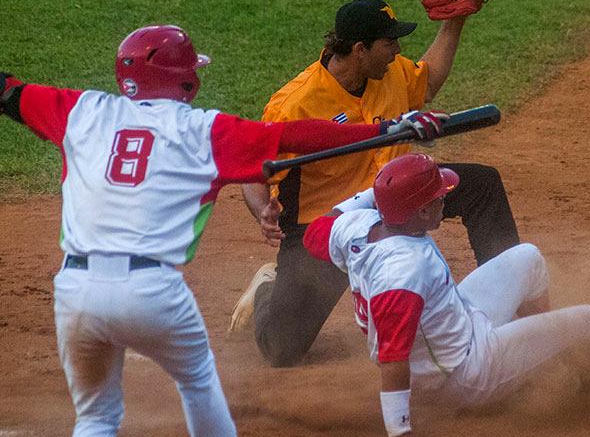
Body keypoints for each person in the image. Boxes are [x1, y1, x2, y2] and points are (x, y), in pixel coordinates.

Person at [0, 25, 446, 437]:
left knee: (95, 417)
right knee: (198, 386)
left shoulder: (81, 110)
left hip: (75, 291)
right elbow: (295, 135)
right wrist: (388, 130)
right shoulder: (204, 130)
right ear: (185, 80)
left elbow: (9, 93)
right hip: (153, 292)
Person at [231, 0, 520, 367]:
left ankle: (510, 295)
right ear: (359, 49)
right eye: (389, 43)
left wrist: (455, 22)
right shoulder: (295, 104)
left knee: (482, 185)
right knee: (283, 349)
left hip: (397, 198)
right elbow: (253, 169)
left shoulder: (389, 71)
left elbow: (427, 81)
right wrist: (263, 214)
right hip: (326, 229)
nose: (398, 51)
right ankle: (267, 288)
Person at [302, 153, 590, 436]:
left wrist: (383, 191)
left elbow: (317, 229)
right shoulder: (403, 272)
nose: (446, 199)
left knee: (528, 259)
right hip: (462, 375)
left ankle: (545, 364)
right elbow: (392, 360)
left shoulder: (357, 227)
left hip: (457, 327)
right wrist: (400, 431)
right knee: (589, 323)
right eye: (438, 197)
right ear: (421, 211)